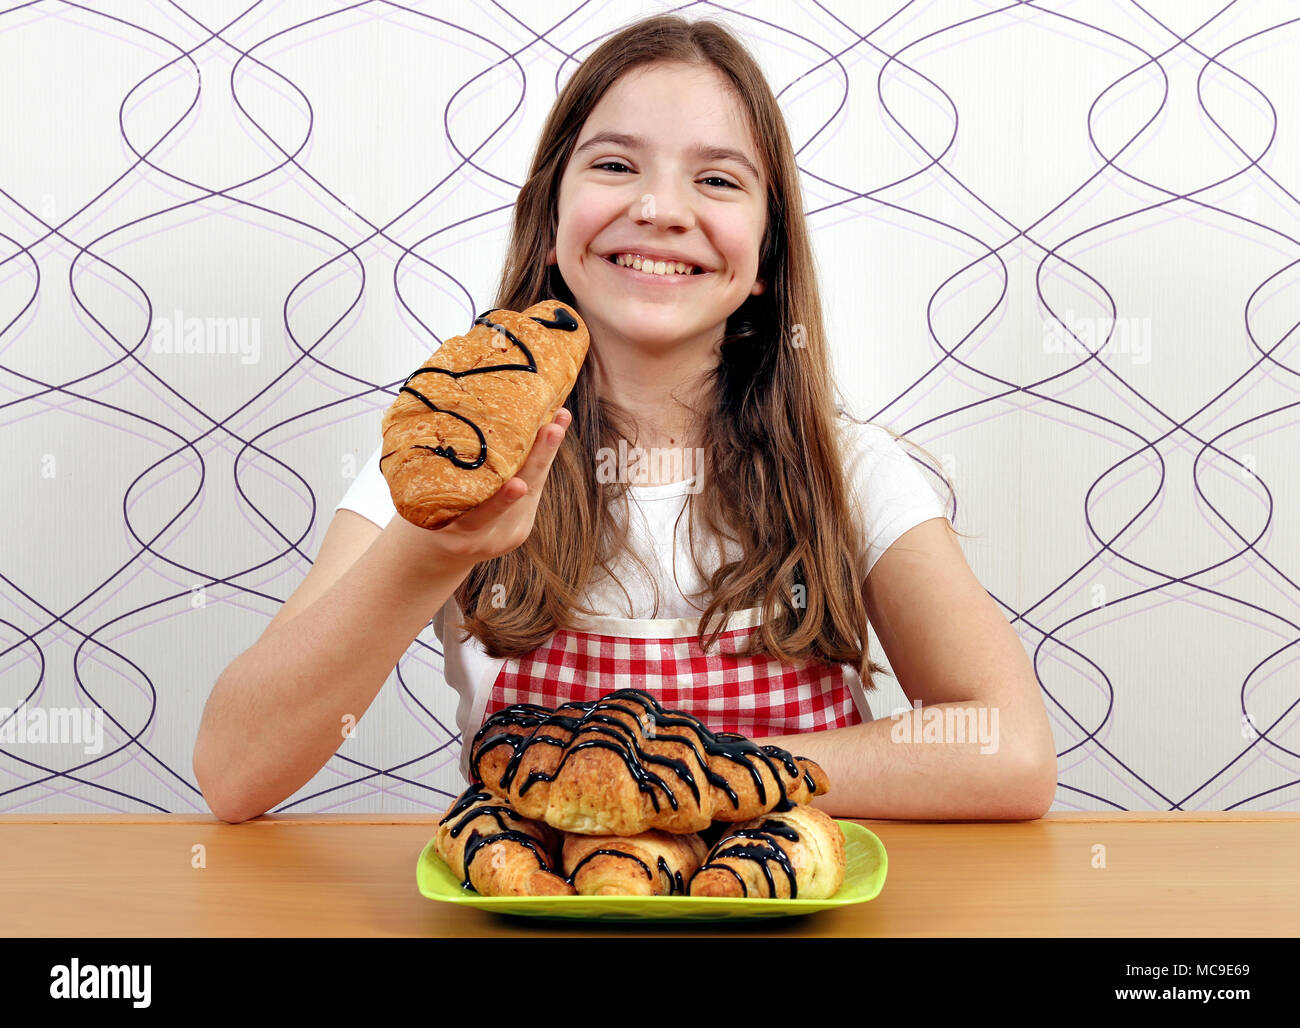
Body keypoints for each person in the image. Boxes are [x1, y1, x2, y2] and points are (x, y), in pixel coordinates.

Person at [194, 14, 1057, 825]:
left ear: (765, 259)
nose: (659, 208)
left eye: (717, 180)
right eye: (614, 166)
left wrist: (691, 773)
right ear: (551, 223)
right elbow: (236, 772)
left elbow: (1011, 750)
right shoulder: (446, 458)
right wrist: (434, 549)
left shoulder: (849, 470)